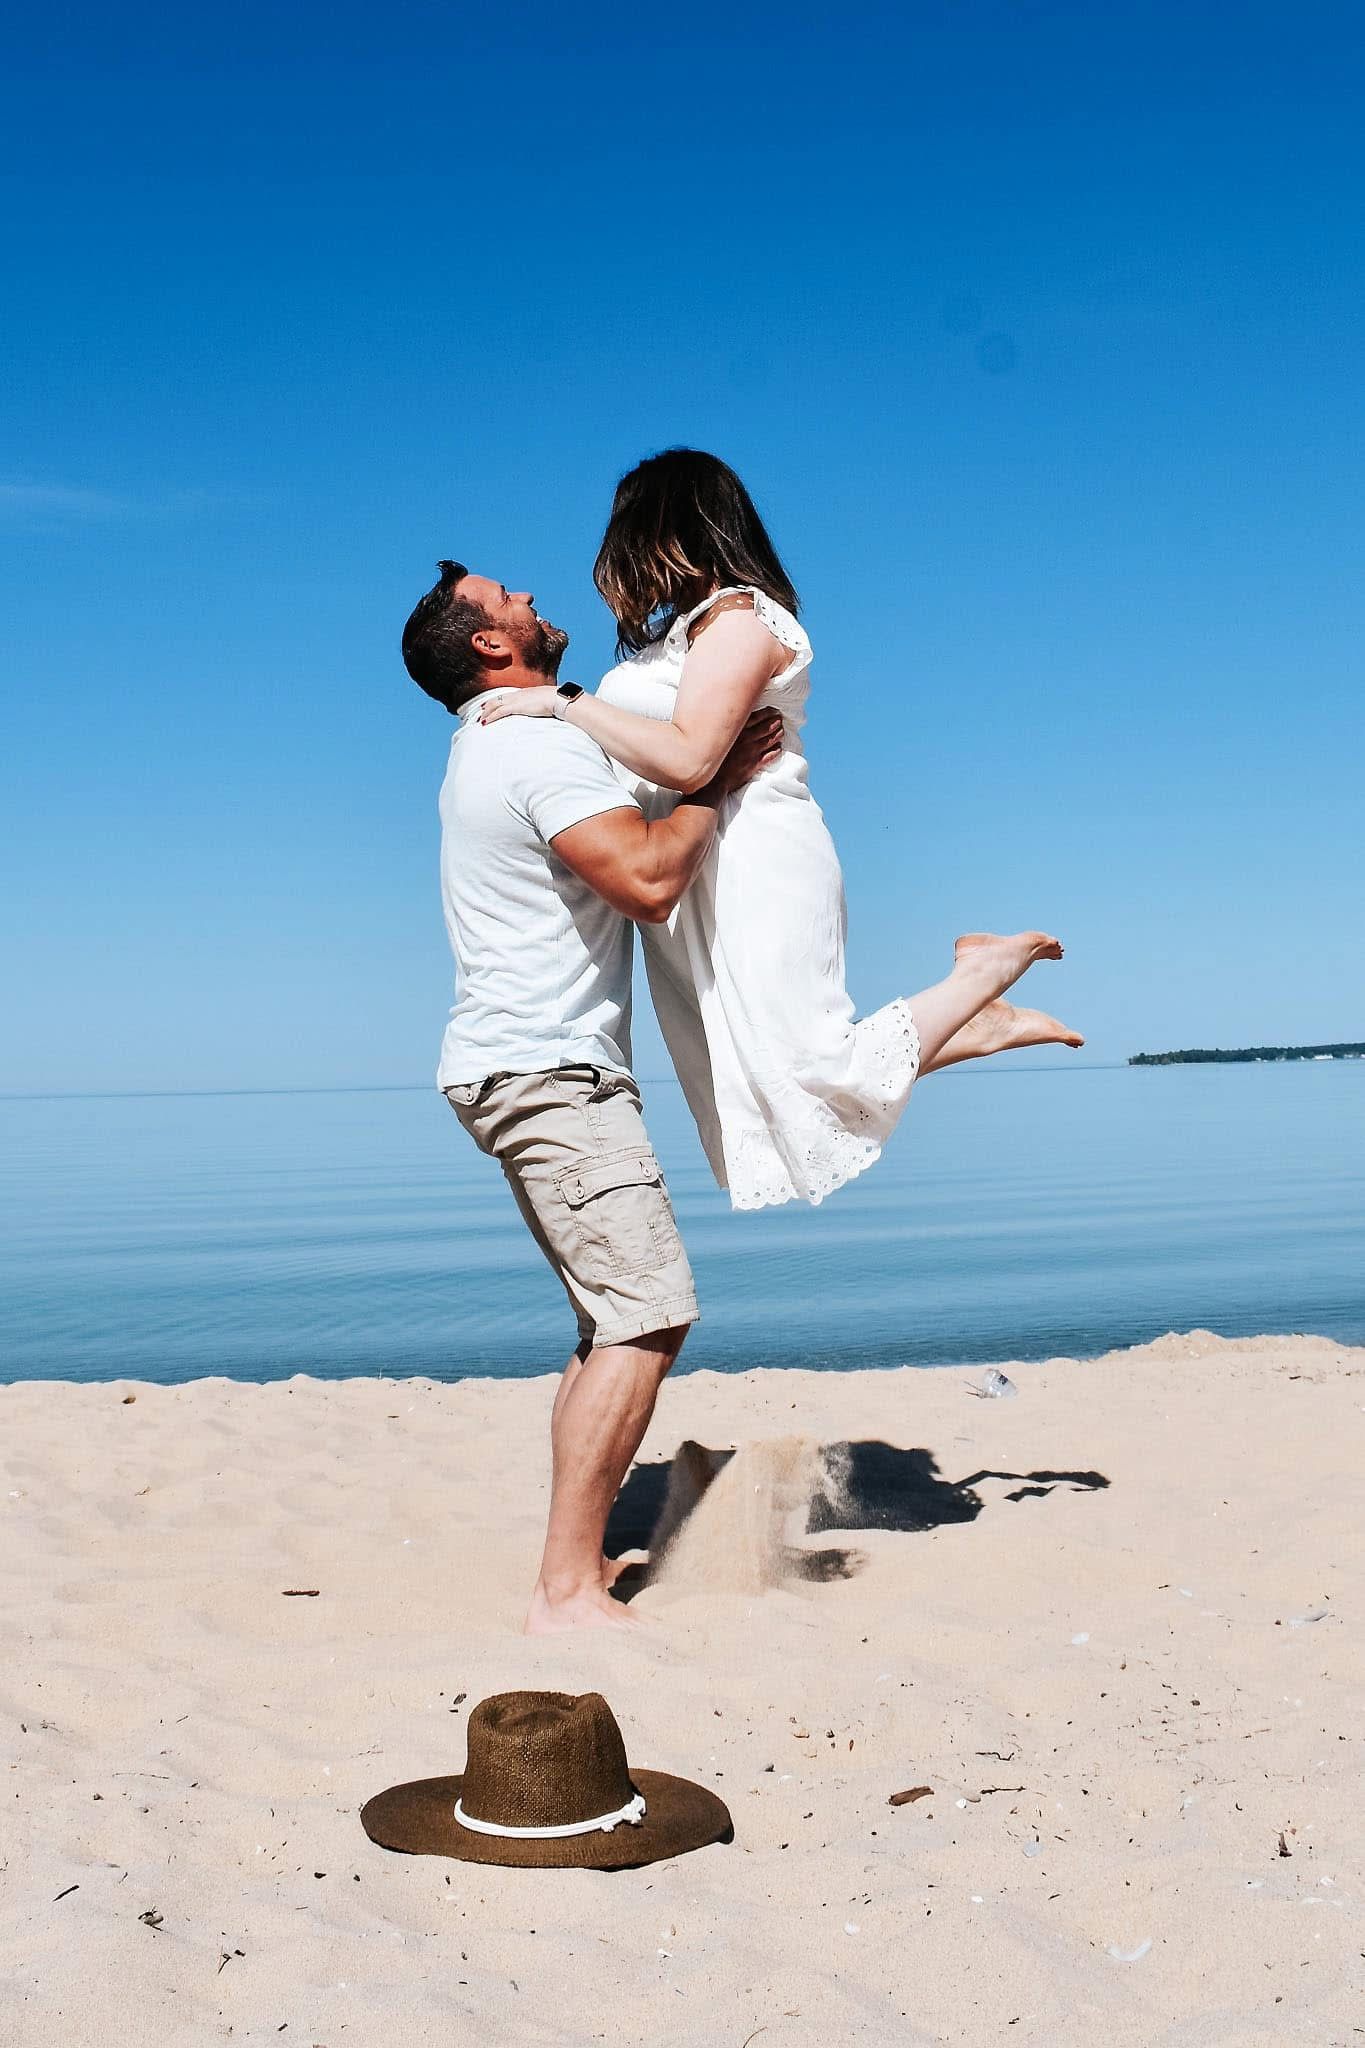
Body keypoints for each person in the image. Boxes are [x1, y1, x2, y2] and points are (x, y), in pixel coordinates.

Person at [483, 449, 1084, 1209]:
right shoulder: (677, 636)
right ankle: (972, 1024)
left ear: (666, 526)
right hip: (690, 865)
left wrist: (561, 701)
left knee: (813, 1065)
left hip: (753, 854)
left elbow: (689, 755)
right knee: (757, 1077)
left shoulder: (741, 621)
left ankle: (979, 976)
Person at [401, 560, 782, 1633]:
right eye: (507, 596)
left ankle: (576, 1561)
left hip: (522, 1068)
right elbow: (652, 883)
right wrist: (715, 782)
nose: (529, 594)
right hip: (547, 1076)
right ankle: (564, 1587)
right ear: (487, 643)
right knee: (647, 1315)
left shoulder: (495, 742)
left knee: (609, 1322)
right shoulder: (530, 743)